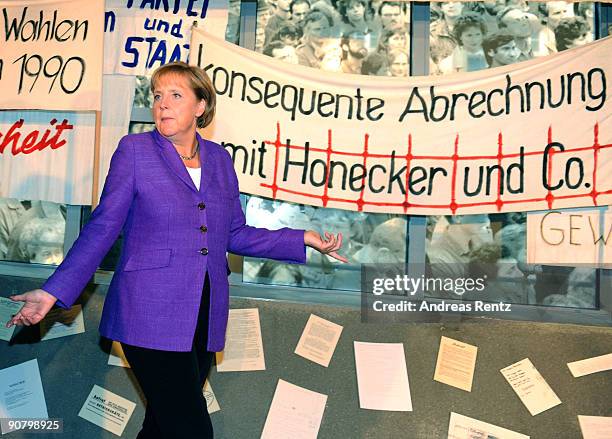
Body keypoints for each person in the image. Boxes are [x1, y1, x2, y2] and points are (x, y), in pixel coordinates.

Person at [6, 62, 347, 438]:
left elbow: (234, 234)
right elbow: (103, 227)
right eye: (156, 97)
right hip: (146, 312)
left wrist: (300, 239)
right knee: (192, 429)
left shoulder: (220, 160)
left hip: (203, 315)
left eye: (175, 95)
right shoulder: (135, 151)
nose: (162, 104)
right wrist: (54, 290)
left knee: (162, 426)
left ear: (201, 106)